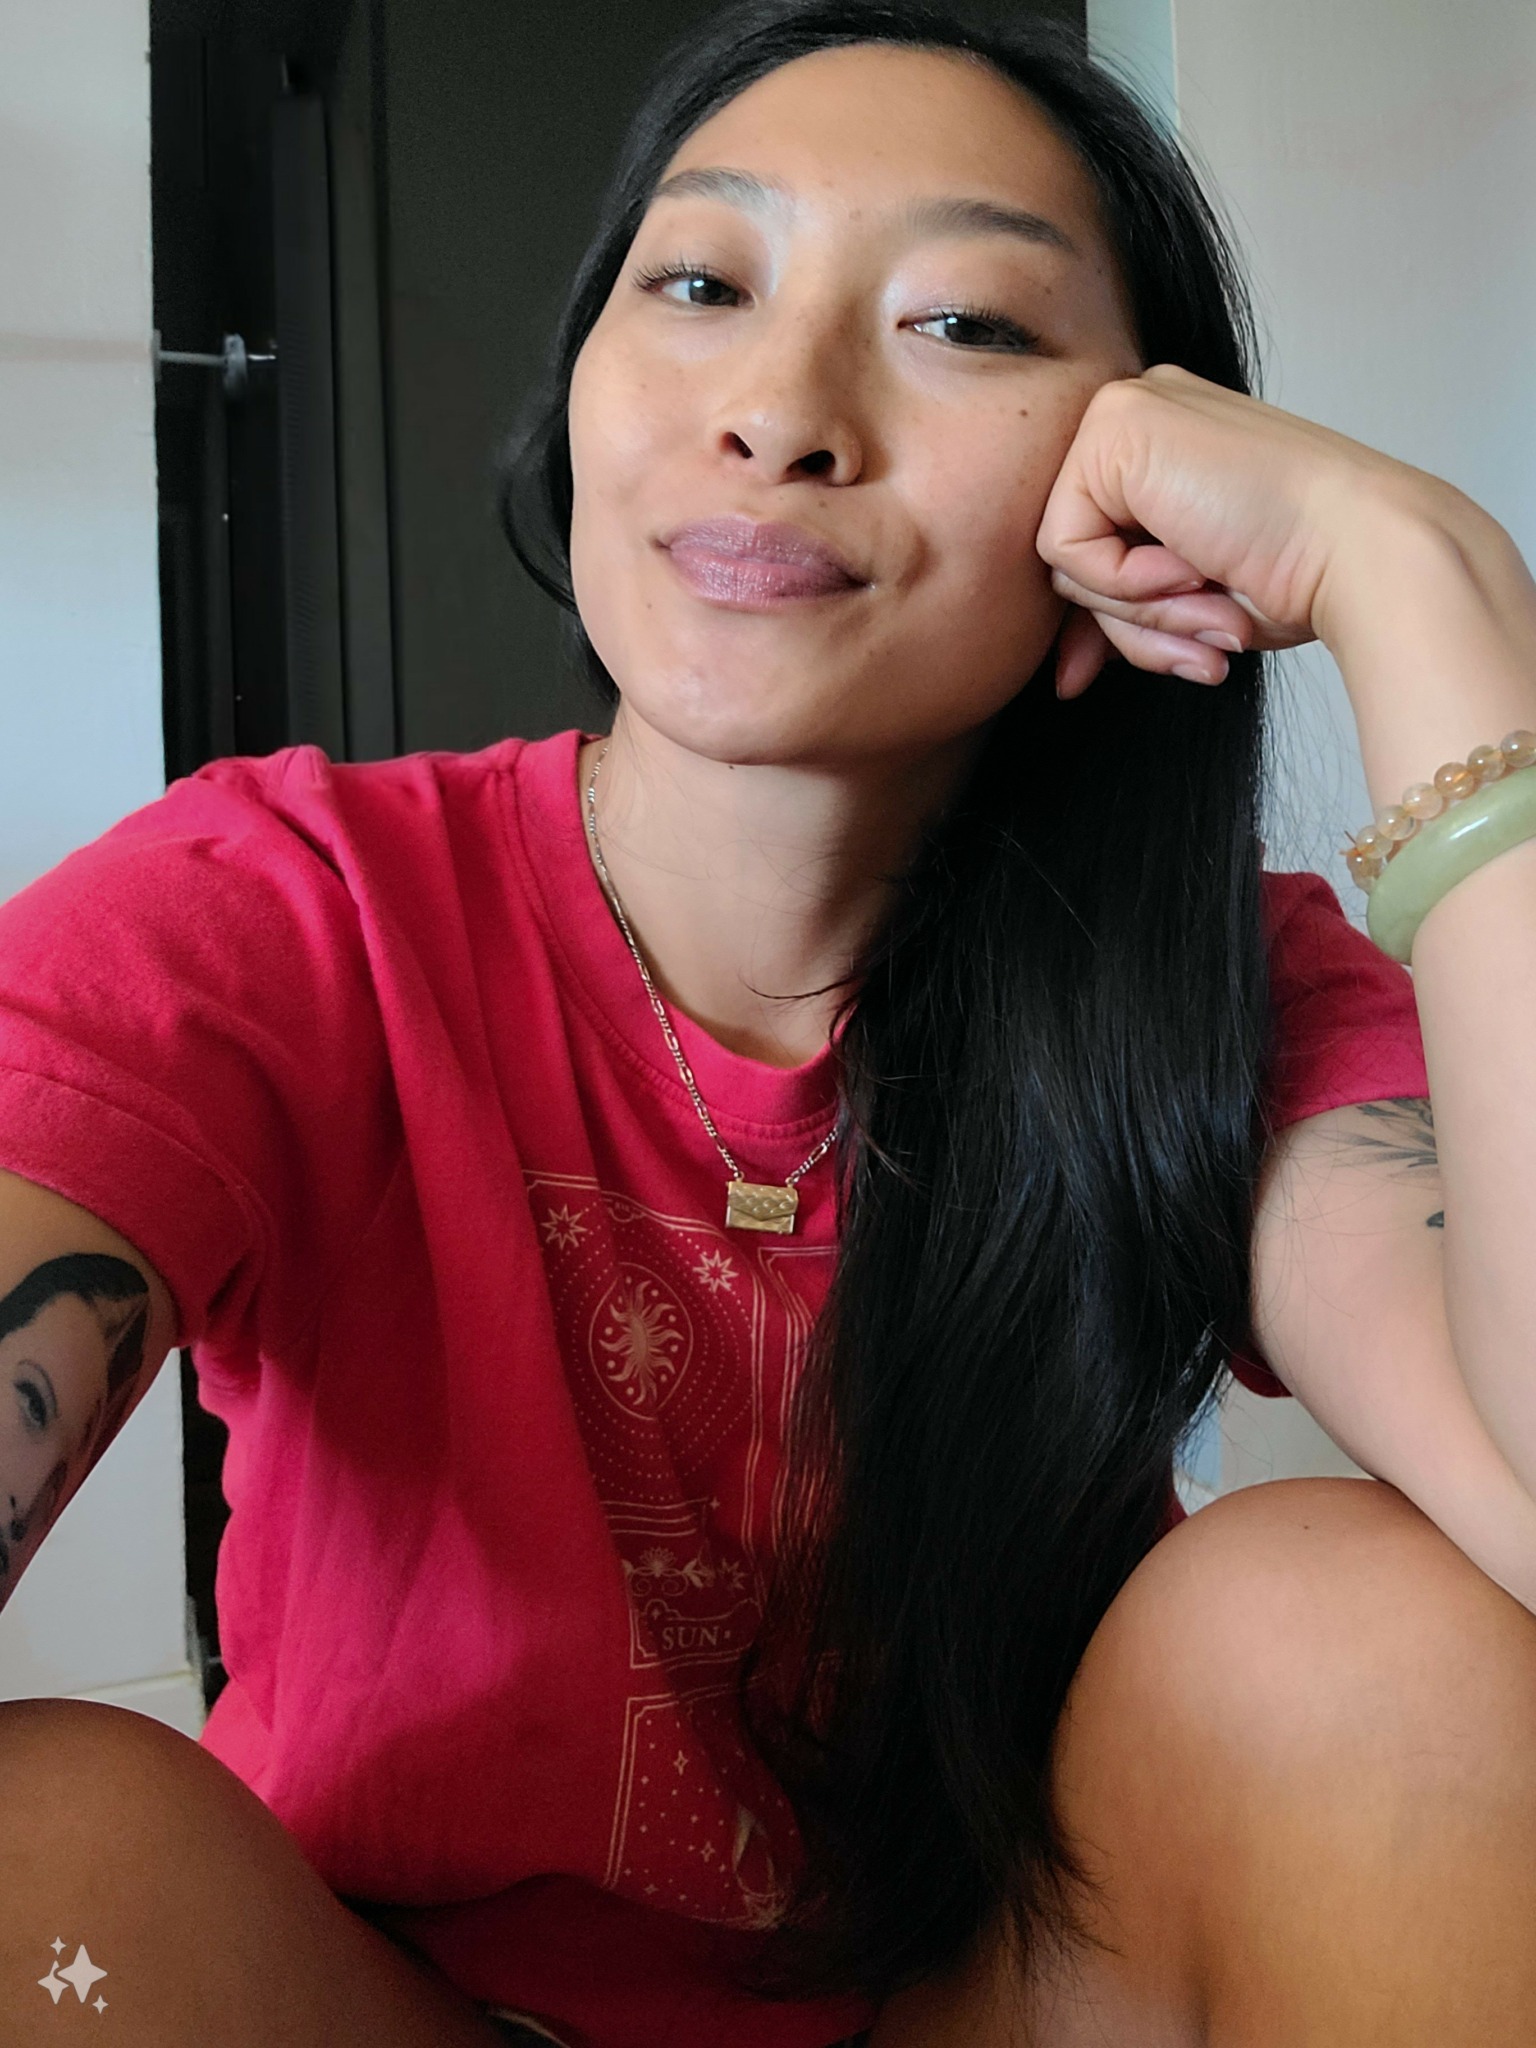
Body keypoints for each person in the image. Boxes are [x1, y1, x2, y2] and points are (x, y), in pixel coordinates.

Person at [2, 2, 1536, 2043]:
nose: (779, 412)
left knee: (1367, 1640)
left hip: (994, 2001)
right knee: (40, 1875)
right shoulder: (277, 913)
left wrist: (1421, 581)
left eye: (964, 323)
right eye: (704, 284)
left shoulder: (1216, 994)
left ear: (1146, 491)